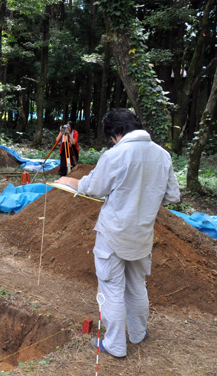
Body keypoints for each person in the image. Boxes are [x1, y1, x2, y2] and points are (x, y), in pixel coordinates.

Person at [55, 108, 180, 358]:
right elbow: (172, 196)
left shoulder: (116, 154)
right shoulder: (162, 155)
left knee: (111, 287)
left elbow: (95, 187)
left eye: (112, 136)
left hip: (113, 233)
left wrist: (71, 182)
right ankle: (137, 333)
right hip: (142, 234)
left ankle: (114, 344)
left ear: (116, 132)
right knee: (136, 285)